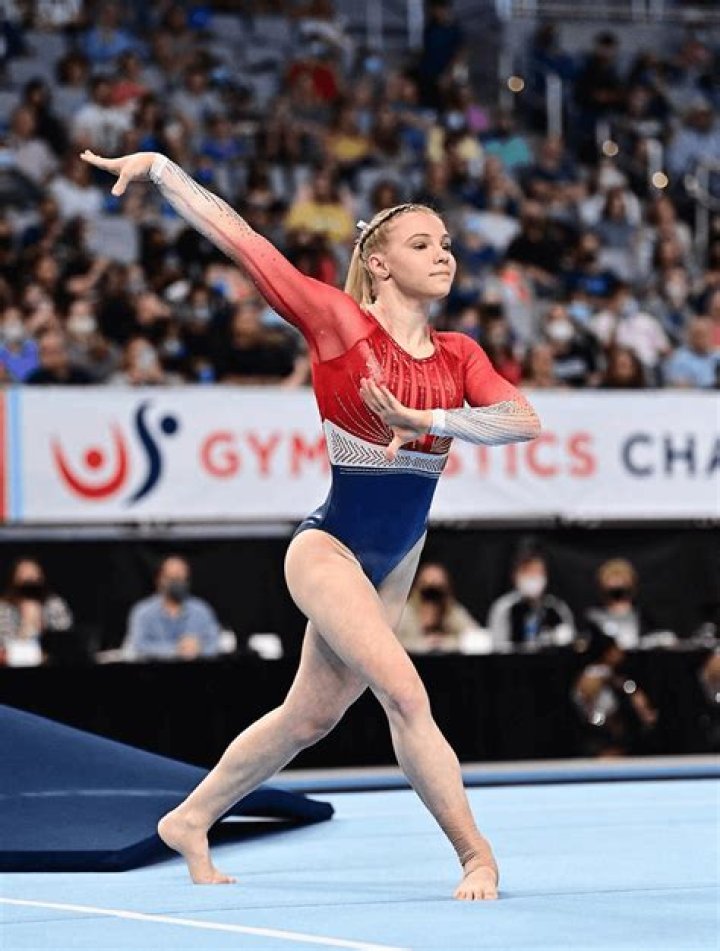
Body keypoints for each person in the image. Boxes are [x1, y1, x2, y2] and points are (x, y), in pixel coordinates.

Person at [82, 145, 541, 901]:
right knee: (405, 693)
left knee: (309, 716)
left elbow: (523, 421)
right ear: (379, 263)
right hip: (328, 549)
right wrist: (163, 170)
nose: (443, 254)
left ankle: (189, 818)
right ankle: (475, 854)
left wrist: (427, 417)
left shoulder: (460, 353)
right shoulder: (339, 322)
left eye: (446, 243)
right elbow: (247, 245)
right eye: (421, 243)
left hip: (397, 557)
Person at [123, 556, 221, 661]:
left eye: (182, 579)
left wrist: (199, 648)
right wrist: (176, 649)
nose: (178, 584)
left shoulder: (201, 610)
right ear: (160, 580)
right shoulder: (143, 612)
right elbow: (138, 646)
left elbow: (215, 643)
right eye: (173, 579)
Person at [487, 550, 574, 651]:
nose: (533, 577)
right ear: (516, 576)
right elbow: (499, 647)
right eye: (528, 572)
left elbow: (571, 641)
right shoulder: (504, 607)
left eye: (538, 572)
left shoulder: (556, 607)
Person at [0, 558, 73, 667]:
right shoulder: (4, 608)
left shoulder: (54, 604)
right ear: (14, 579)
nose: (30, 579)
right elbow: (4, 649)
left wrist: (41, 624)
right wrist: (26, 625)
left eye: (34, 575)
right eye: (24, 575)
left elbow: (65, 641)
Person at [396, 562, 482, 654]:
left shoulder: (451, 611)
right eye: (427, 589)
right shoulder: (404, 613)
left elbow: (475, 638)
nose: (432, 595)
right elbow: (393, 644)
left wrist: (443, 642)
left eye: (437, 589)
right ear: (417, 588)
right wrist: (423, 643)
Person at [583, 558, 651, 650]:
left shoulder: (644, 615)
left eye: (622, 580)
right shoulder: (593, 616)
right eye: (612, 580)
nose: (617, 584)